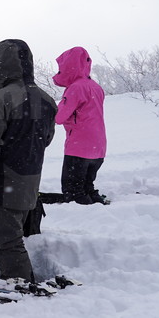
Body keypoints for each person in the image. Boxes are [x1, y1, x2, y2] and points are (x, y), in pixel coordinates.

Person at [0, 39, 58, 282]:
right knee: (14, 237)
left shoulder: (0, 99)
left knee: (7, 242)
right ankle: (25, 280)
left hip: (3, 183)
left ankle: (22, 286)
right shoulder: (47, 100)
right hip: (30, 181)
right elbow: (44, 139)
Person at [52, 46, 108, 204]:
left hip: (79, 148)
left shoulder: (75, 88)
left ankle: (89, 220)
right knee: (87, 187)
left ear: (69, 67)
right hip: (98, 147)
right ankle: (99, 206)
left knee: (73, 193)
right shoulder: (96, 87)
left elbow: (59, 117)